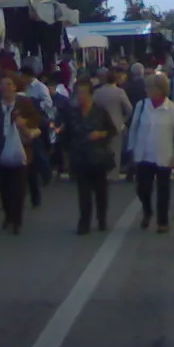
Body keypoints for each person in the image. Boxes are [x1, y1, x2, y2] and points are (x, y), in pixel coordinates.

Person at [128, 73, 174, 233]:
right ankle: (147, 211)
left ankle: (163, 221)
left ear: (160, 90)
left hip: (164, 155)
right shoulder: (142, 106)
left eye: (150, 87)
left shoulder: (173, 110)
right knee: (143, 189)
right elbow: (134, 129)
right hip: (144, 154)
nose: (147, 90)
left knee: (163, 190)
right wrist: (132, 150)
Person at [0, 75, 42, 236]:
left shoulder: (24, 104)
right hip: (1, 151)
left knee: (18, 189)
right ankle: (8, 215)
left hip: (21, 152)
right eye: (2, 85)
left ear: (14, 88)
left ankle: (16, 220)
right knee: (4, 188)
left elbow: (37, 120)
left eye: (9, 85)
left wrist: (25, 123)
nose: (5, 88)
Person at [62, 78, 117, 234]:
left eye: (83, 93)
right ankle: (84, 222)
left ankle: (101, 217)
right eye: (77, 93)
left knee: (101, 191)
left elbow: (112, 130)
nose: (80, 96)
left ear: (91, 94)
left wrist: (101, 134)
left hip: (98, 157)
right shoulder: (72, 113)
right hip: (80, 158)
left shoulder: (100, 111)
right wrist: (67, 158)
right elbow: (66, 137)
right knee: (83, 192)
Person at [22, 66, 56, 206]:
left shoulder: (40, 87)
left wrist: (36, 104)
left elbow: (48, 103)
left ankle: (46, 174)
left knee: (39, 151)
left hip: (38, 120)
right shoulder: (23, 86)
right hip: (26, 121)